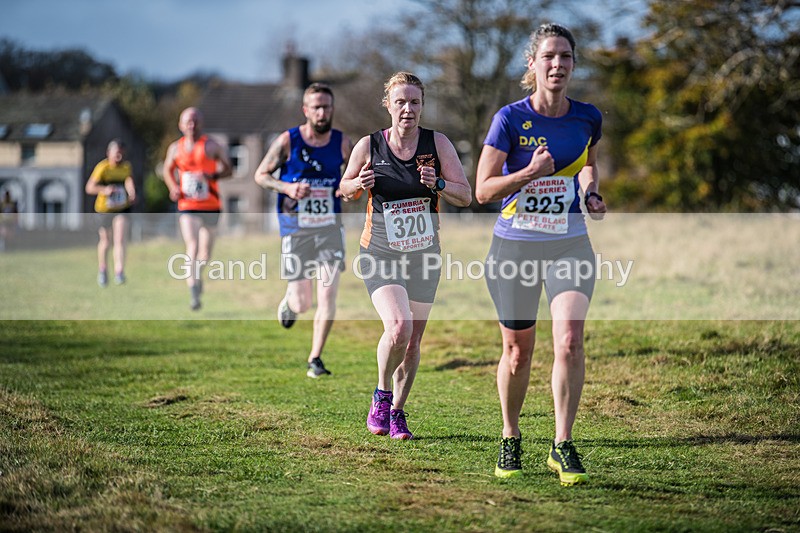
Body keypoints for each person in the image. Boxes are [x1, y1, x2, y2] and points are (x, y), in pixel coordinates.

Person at [475, 23, 607, 485]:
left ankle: (562, 443)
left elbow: (587, 164)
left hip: (570, 242)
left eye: (566, 56)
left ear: (574, 63)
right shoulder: (509, 119)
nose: (558, 64)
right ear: (532, 64)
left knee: (569, 340)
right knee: (517, 353)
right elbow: (483, 189)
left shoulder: (588, 116)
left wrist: (591, 194)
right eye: (549, 56)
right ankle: (511, 436)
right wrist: (528, 173)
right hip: (515, 247)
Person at [340, 72, 472, 439]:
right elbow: (344, 189)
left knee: (413, 341)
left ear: (422, 106)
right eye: (400, 102)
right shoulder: (369, 146)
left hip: (424, 256)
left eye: (415, 102)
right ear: (388, 105)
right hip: (379, 253)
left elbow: (466, 195)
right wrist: (358, 184)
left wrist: (440, 184)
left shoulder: (438, 143)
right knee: (399, 326)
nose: (408, 109)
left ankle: (397, 411)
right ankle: (381, 395)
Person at [254, 83, 354, 378]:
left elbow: (354, 177)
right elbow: (260, 175)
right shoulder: (289, 141)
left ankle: (315, 358)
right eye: (317, 107)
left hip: (329, 228)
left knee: (328, 295)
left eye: (327, 107)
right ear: (306, 110)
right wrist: (287, 187)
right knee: (302, 302)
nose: (323, 112)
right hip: (295, 228)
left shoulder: (343, 142)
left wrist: (350, 190)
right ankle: (290, 300)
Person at [163, 107, 233, 310]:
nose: (192, 125)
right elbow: (167, 170)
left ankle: (197, 275)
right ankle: (193, 291)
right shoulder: (175, 149)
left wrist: (212, 176)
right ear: (181, 125)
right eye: (188, 122)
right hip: (187, 204)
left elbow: (229, 169)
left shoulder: (212, 146)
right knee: (192, 245)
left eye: (195, 121)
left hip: (211, 204)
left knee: (205, 254)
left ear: (201, 124)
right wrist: (173, 187)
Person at [85, 139, 136, 286]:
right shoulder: (103, 168)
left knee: (120, 238)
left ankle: (119, 271)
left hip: (121, 208)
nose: (119, 155)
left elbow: (128, 180)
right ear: (109, 153)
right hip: (104, 209)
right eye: (116, 152)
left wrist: (132, 192)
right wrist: (104, 190)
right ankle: (103, 269)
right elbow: (89, 188)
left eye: (121, 152)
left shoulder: (126, 167)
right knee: (106, 241)